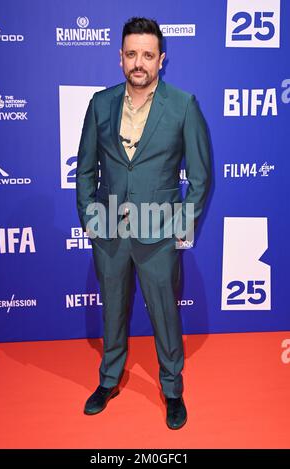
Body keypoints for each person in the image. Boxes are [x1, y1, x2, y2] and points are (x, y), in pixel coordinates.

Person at [76, 17, 211, 430]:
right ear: (120, 58)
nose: (139, 63)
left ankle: (172, 389)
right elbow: (84, 172)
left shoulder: (184, 105)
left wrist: (178, 227)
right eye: (131, 54)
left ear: (161, 60)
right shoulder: (100, 103)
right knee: (112, 310)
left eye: (148, 55)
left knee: (166, 315)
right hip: (110, 232)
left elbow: (201, 177)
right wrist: (90, 217)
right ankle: (109, 380)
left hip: (159, 235)